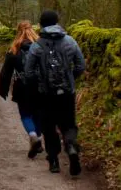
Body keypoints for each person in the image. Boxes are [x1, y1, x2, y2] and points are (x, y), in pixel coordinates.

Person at [25, 10, 86, 176]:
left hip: (45, 94)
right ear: (57, 22)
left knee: (48, 126)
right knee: (68, 123)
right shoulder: (70, 41)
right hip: (67, 92)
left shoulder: (37, 46)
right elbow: (81, 65)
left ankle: (53, 161)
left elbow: (28, 72)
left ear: (42, 25)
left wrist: (37, 85)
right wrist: (70, 79)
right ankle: (71, 145)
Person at [0, 21, 43, 158]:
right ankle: (38, 139)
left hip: (22, 86)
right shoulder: (40, 47)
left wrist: (3, 89)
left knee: (25, 114)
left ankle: (33, 135)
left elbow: (5, 73)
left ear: (18, 31)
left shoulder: (14, 50)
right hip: (39, 86)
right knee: (38, 114)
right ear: (32, 30)